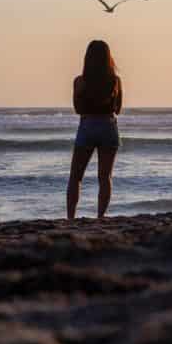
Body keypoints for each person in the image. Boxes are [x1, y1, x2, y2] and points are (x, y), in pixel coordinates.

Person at [67, 40, 123, 219]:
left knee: (76, 177)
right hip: (108, 126)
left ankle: (71, 217)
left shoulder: (80, 81)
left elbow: (78, 110)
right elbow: (118, 109)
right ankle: (100, 216)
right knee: (105, 178)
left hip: (88, 126)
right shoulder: (115, 81)